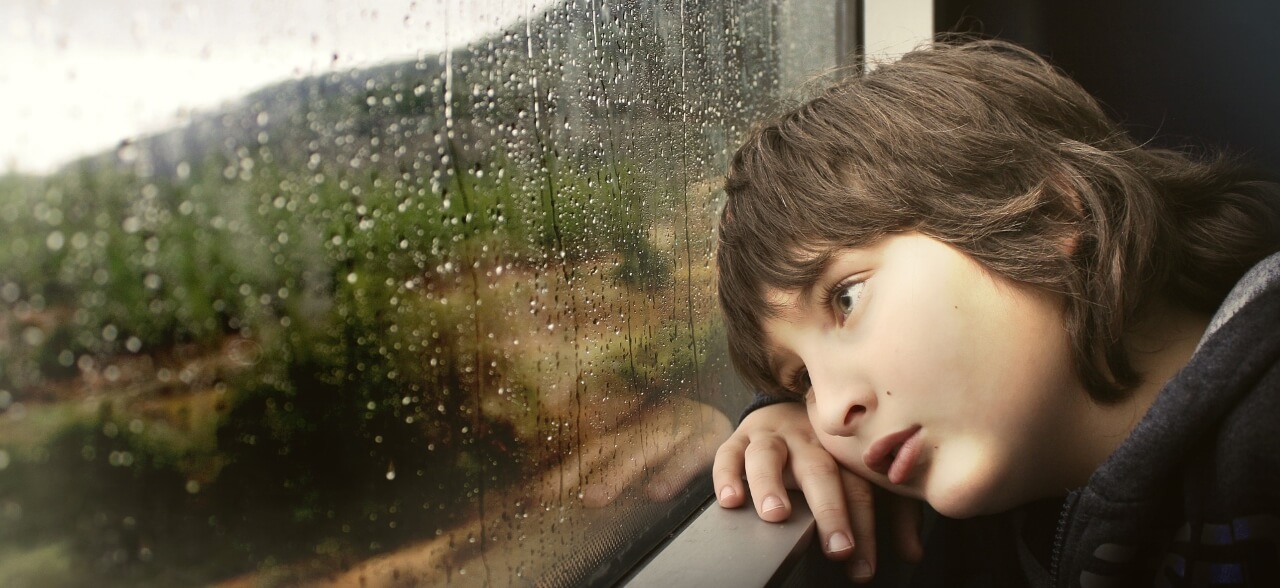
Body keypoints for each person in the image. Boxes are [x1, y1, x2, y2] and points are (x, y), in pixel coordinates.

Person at [711, 38, 1280, 586]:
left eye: (847, 298)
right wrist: (778, 420)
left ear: (1049, 211)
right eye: (803, 378)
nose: (831, 412)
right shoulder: (1002, 509)